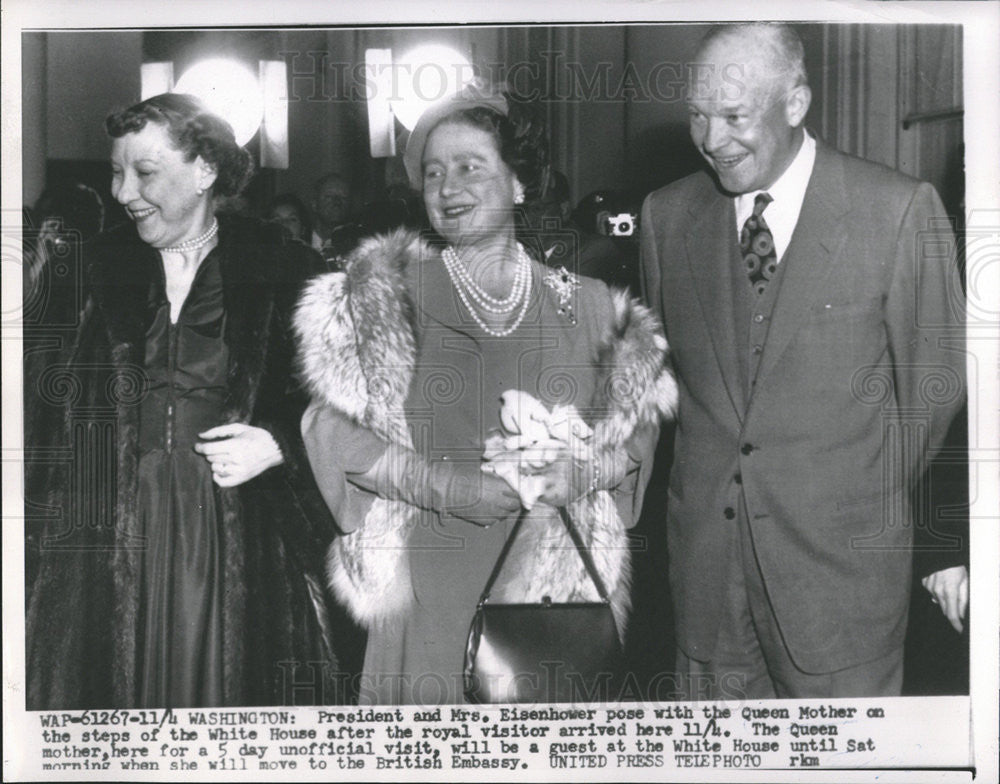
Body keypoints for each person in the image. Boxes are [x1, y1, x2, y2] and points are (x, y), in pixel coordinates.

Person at [295, 83, 676, 705]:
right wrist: (446, 487)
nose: (449, 188)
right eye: (434, 173)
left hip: (549, 595)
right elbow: (332, 430)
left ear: (520, 181)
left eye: (471, 167)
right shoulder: (384, 299)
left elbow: (640, 426)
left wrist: (581, 473)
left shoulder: (585, 303)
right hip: (427, 584)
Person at [640, 23, 967, 699]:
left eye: (735, 116)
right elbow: (663, 393)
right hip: (705, 585)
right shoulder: (665, 217)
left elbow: (937, 402)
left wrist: (861, 510)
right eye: (698, 117)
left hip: (841, 592)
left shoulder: (898, 211)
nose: (712, 140)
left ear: (795, 103)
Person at [24, 93, 341, 709]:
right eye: (117, 171)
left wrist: (280, 441)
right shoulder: (88, 269)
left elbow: (346, 397)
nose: (122, 192)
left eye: (145, 172)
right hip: (106, 533)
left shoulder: (284, 267)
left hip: (237, 530)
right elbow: (40, 418)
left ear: (205, 171)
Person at [311, 172, 362, 270]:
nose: (337, 202)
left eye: (344, 197)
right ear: (314, 204)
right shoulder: (300, 243)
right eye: (329, 197)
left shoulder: (358, 246)